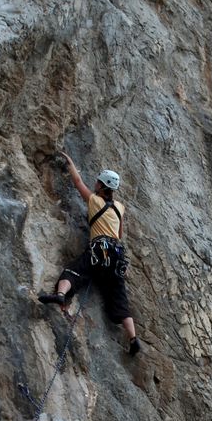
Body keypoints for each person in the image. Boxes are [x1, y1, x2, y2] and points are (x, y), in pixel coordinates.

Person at [38, 151, 141, 356]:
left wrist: (70, 161)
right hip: (116, 255)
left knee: (74, 271)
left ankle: (60, 295)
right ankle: (133, 338)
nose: (95, 184)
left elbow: (77, 182)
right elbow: (119, 234)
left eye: (98, 182)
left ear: (102, 186)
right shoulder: (120, 207)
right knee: (118, 295)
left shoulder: (95, 201)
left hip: (98, 250)